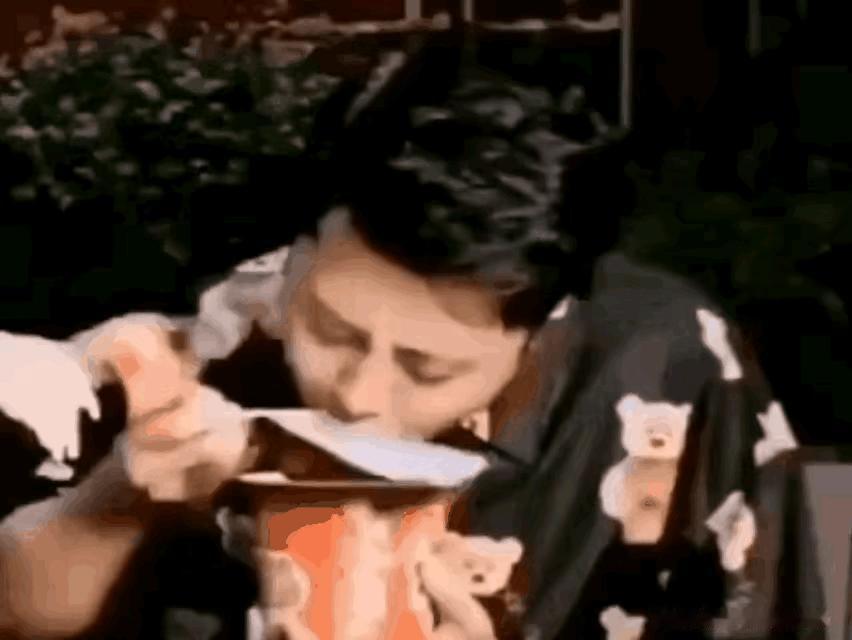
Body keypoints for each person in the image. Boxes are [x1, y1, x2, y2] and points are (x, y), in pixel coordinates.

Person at [0, 32, 825, 640]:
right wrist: (122, 497)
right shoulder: (232, 337)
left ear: (541, 329)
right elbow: (18, 607)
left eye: (428, 369)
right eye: (331, 329)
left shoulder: (665, 372)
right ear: (299, 251)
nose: (360, 396)